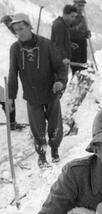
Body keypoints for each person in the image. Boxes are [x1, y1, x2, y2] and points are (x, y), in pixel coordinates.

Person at [8, 13, 67, 167]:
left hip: (50, 92)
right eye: (16, 30)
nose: (19, 32)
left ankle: (54, 150)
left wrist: (60, 82)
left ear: (29, 26)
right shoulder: (15, 49)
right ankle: (41, 155)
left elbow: (60, 67)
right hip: (32, 95)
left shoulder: (46, 44)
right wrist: (10, 97)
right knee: (37, 128)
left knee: (55, 125)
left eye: (21, 28)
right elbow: (12, 74)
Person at [0, 15, 24, 130]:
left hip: (4, 76)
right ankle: (12, 123)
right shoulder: (5, 37)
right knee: (7, 98)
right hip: (2, 75)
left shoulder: (10, 37)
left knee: (7, 99)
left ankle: (12, 123)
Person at [51, 4, 78, 69]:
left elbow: (62, 41)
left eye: (75, 16)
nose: (74, 19)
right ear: (65, 15)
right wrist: (63, 58)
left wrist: (70, 45)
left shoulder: (64, 25)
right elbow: (58, 44)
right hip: (60, 61)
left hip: (63, 61)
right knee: (60, 79)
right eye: (72, 16)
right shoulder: (59, 25)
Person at [70, 0, 91, 75]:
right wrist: (77, 28)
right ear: (74, 5)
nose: (81, 7)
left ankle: (82, 83)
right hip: (74, 43)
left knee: (83, 65)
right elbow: (66, 32)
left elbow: (84, 32)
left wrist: (87, 34)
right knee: (76, 65)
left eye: (82, 6)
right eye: (79, 5)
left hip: (83, 43)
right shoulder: (70, 17)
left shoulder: (83, 18)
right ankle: (74, 82)